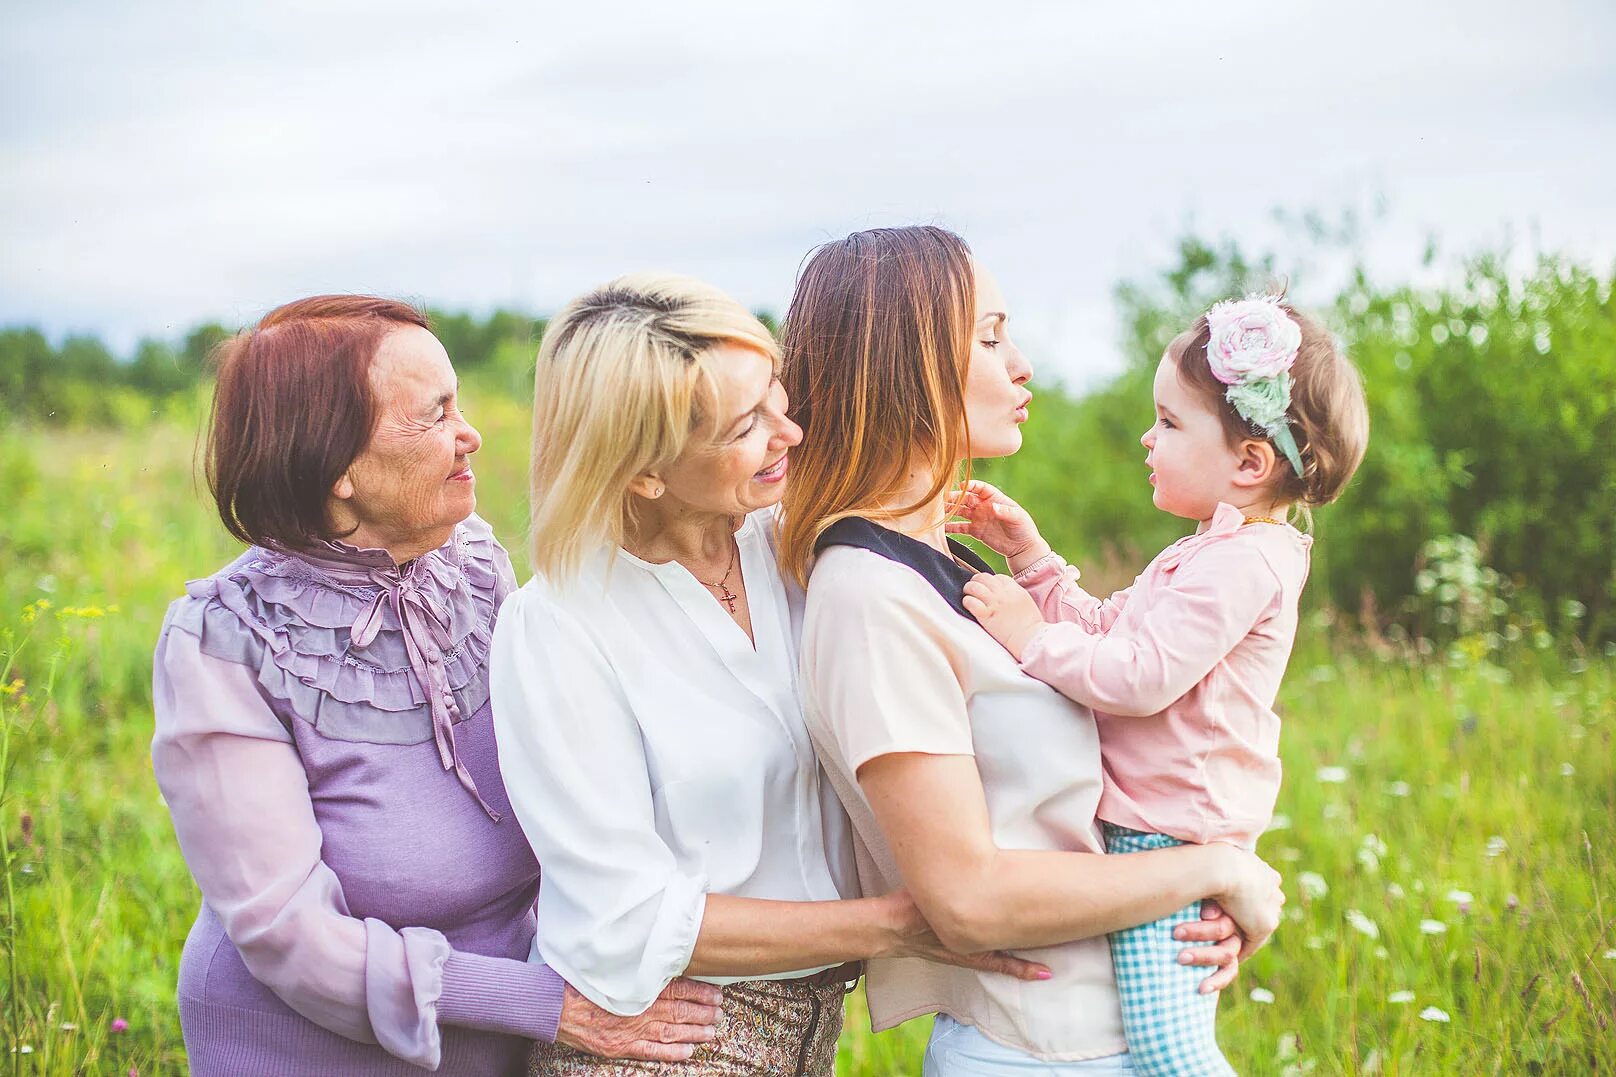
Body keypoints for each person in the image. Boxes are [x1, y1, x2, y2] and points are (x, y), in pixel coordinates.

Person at [488, 273, 1056, 1077]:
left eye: (777, 394)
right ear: (644, 469)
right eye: (746, 424)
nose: (789, 432)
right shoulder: (559, 626)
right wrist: (899, 922)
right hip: (666, 1040)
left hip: (813, 1028)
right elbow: (628, 914)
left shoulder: (800, 547)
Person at [152, 295, 721, 1075]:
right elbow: (291, 933)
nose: (471, 434)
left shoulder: (476, 562)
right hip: (307, 1049)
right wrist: (545, 1004)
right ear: (338, 467)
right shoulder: (221, 641)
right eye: (435, 414)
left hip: (508, 1038)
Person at [777, 226, 1288, 1076]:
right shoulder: (867, 594)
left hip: (1117, 1024)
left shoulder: (950, 560)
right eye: (989, 336)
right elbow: (969, 897)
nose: (1022, 365)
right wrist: (1218, 867)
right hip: (1040, 1049)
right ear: (906, 362)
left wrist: (1195, 897)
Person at [955, 294, 1369, 1074]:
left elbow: (1138, 677)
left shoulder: (1245, 562)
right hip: (1156, 828)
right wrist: (1033, 559)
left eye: (1171, 424)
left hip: (1167, 837)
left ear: (1250, 461)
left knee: (1168, 1048)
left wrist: (1027, 635)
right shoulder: (1210, 550)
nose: (1149, 437)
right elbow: (1110, 630)